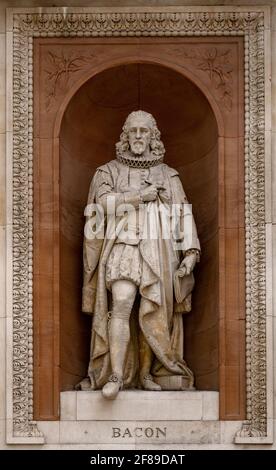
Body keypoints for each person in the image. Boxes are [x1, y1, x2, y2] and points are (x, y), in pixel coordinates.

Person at [81, 110, 200, 399]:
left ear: (153, 137)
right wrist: (139, 197)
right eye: (132, 131)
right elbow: (102, 204)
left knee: (153, 308)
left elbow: (182, 213)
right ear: (125, 136)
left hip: (159, 250)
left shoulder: (168, 175)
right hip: (123, 245)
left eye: (143, 131)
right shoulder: (108, 171)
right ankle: (117, 375)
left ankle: (146, 372)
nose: (137, 136)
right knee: (121, 303)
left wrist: (190, 252)